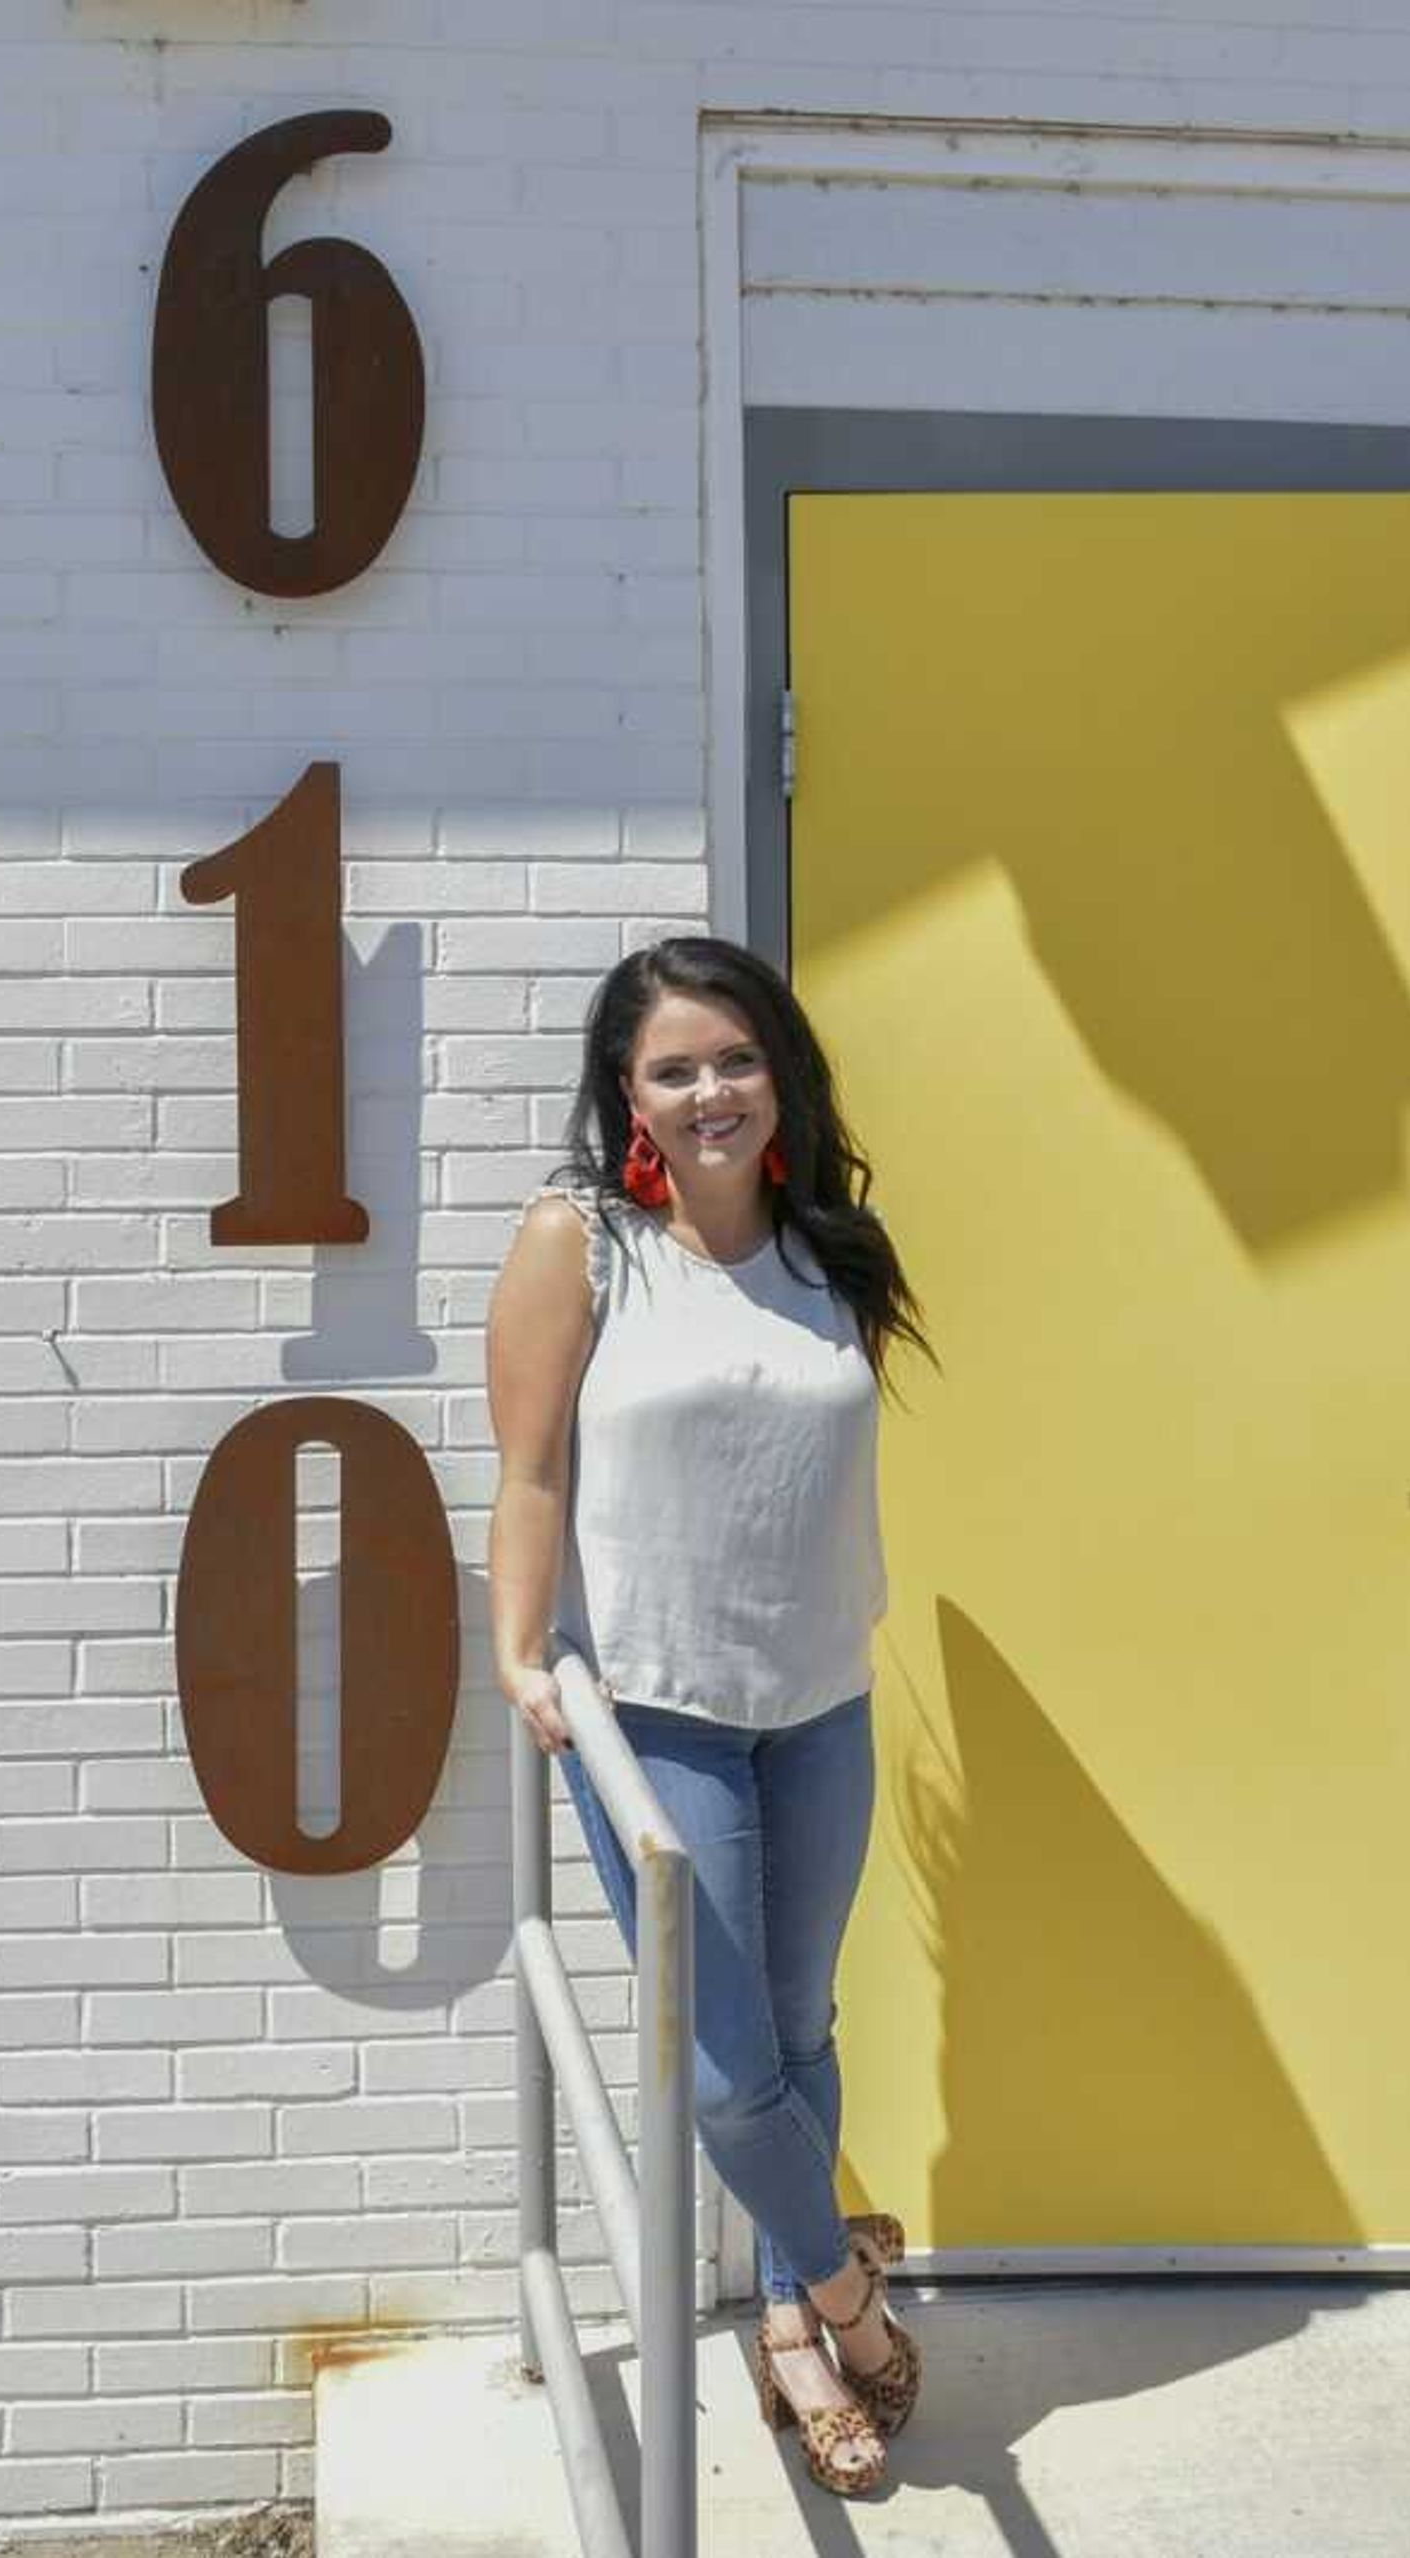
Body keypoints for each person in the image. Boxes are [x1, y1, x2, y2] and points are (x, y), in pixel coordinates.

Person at [484, 934, 932, 2501]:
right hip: (657, 1709)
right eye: (672, 1067)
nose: (708, 1090)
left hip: (818, 1702)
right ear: (628, 1091)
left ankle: (794, 2328)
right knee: (730, 2071)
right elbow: (530, 1465)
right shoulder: (582, 1239)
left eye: (734, 1058)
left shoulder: (833, 1248)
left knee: (799, 2035)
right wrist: (521, 1650)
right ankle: (843, 2291)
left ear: (779, 1071)